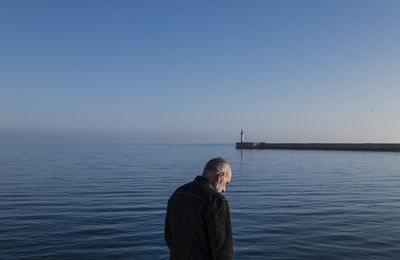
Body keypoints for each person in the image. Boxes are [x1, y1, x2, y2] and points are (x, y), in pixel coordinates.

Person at [164, 157, 233, 260]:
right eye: (226, 183)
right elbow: (222, 250)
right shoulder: (217, 201)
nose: (224, 189)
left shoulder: (178, 193)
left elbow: (168, 234)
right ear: (220, 176)